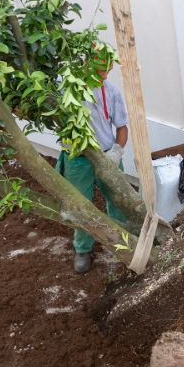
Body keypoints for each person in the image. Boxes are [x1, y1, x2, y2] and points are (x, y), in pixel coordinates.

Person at [56, 53, 129, 273]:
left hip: (106, 155)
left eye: (107, 70)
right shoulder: (66, 88)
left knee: (118, 201)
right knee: (81, 206)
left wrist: (116, 152)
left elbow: (122, 127)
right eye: (99, 70)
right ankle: (83, 249)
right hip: (77, 159)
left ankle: (121, 243)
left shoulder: (112, 91)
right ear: (86, 65)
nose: (104, 75)